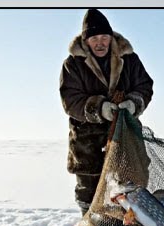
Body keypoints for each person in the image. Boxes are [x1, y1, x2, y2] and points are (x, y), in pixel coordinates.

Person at [59, 8, 155, 213]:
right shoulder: (72, 65)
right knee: (89, 186)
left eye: (104, 37)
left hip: (125, 133)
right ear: (86, 41)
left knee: (132, 181)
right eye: (94, 38)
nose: (100, 43)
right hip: (87, 138)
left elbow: (144, 86)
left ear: (111, 38)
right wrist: (99, 108)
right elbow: (70, 99)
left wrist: (133, 103)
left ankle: (130, 225)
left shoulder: (129, 59)